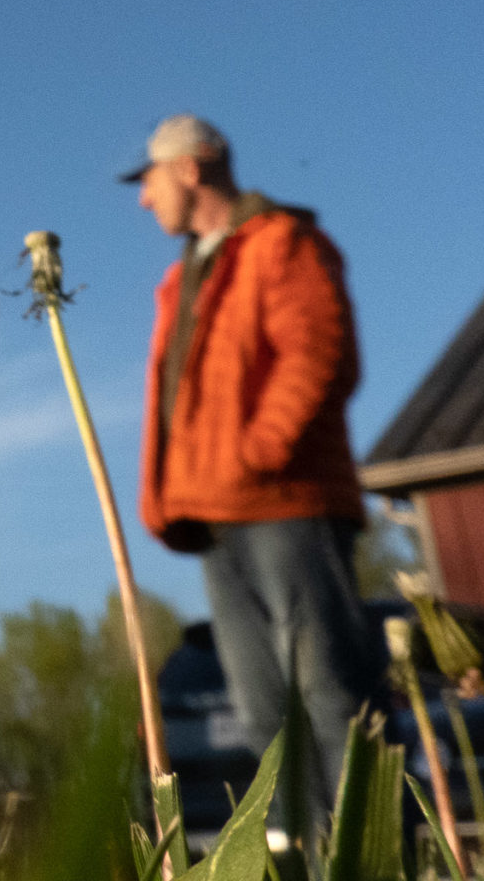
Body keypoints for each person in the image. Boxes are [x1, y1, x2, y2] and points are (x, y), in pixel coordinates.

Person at [124, 116, 374, 826]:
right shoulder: (184, 278)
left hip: (285, 504)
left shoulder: (282, 244)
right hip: (212, 514)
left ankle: (367, 855)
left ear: (191, 169)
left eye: (148, 177)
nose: (144, 199)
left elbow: (319, 354)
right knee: (264, 713)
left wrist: (257, 454)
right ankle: (303, 859)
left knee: (327, 696)